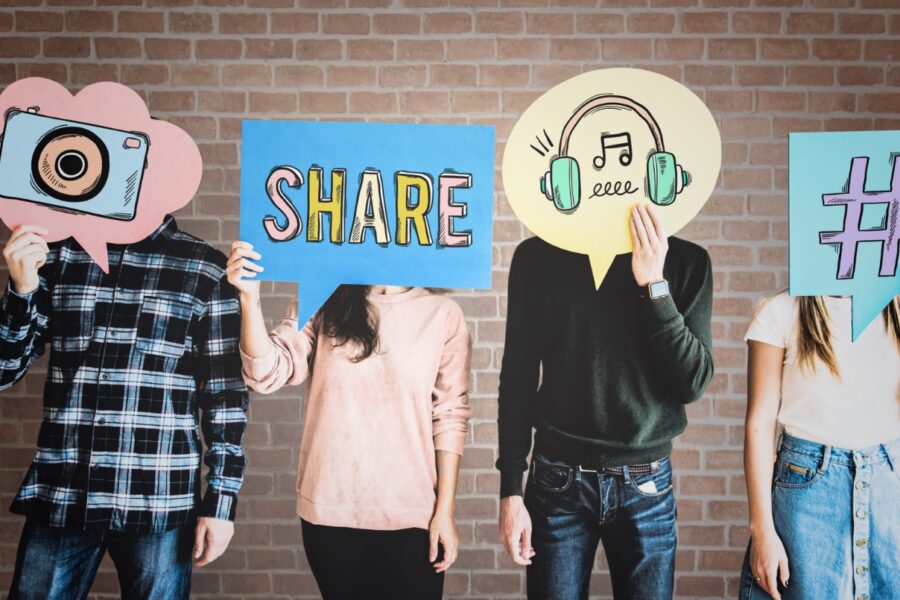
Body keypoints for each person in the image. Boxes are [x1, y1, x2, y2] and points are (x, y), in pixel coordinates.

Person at [1, 219, 249, 600]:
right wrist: (22, 290)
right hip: (64, 489)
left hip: (159, 500)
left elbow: (225, 397)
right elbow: (4, 370)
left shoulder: (205, 268)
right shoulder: (57, 256)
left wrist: (221, 501)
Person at [227, 240, 471, 600]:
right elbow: (265, 373)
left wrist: (445, 511)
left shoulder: (443, 314)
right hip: (331, 512)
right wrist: (249, 298)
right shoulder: (324, 298)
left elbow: (450, 415)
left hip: (410, 512)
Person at [497, 204, 714, 600]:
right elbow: (516, 380)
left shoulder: (686, 260)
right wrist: (510, 489)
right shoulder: (536, 258)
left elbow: (693, 383)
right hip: (557, 482)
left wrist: (654, 286)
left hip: (645, 484)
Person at [741, 292, 900, 600]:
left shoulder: (895, 309)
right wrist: (762, 532)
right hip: (807, 494)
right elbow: (759, 424)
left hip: (889, 488)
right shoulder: (781, 311)